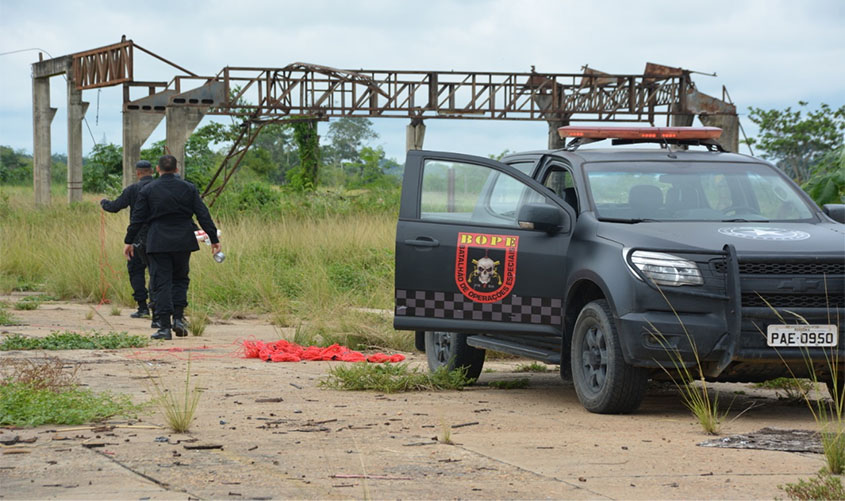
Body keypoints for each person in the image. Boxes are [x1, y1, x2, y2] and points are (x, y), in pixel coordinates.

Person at [123, 155, 221, 340]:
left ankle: (164, 327)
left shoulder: (148, 189)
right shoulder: (189, 188)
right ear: (177, 169)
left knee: (161, 282)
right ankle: (178, 318)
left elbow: (138, 218)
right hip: (183, 241)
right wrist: (213, 238)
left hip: (158, 241)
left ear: (157, 169)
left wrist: (129, 241)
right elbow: (203, 214)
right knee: (180, 279)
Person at [101, 160, 154, 319]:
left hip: (137, 237)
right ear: (152, 171)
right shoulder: (159, 188)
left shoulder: (132, 189)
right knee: (156, 271)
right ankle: (156, 306)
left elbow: (114, 207)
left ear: (137, 173)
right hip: (157, 237)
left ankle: (142, 307)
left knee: (136, 271)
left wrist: (104, 202)